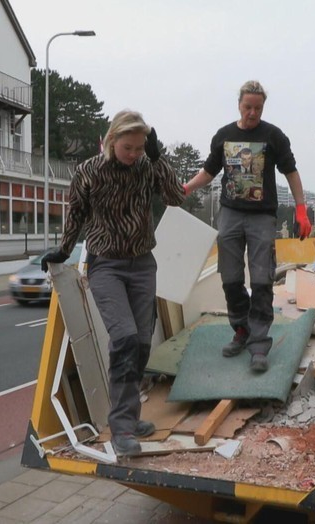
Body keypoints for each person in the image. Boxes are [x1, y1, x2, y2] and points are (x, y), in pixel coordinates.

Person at [40, 110, 185, 457]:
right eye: (127, 147)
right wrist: (62, 250)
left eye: (139, 147)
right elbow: (75, 213)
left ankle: (129, 417)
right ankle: (120, 430)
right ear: (110, 141)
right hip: (106, 266)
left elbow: (176, 198)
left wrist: (158, 157)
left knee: (142, 346)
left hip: (142, 265)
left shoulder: (147, 166)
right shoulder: (89, 171)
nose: (133, 154)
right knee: (124, 338)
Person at [183, 80, 312, 373]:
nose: (252, 113)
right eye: (247, 107)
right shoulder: (224, 136)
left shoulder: (273, 136)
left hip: (262, 216)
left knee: (262, 279)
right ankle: (241, 329)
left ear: (262, 107)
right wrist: (187, 188)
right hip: (230, 214)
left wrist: (302, 209)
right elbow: (208, 171)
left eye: (258, 108)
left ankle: (259, 344)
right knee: (230, 278)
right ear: (239, 105)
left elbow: (291, 172)